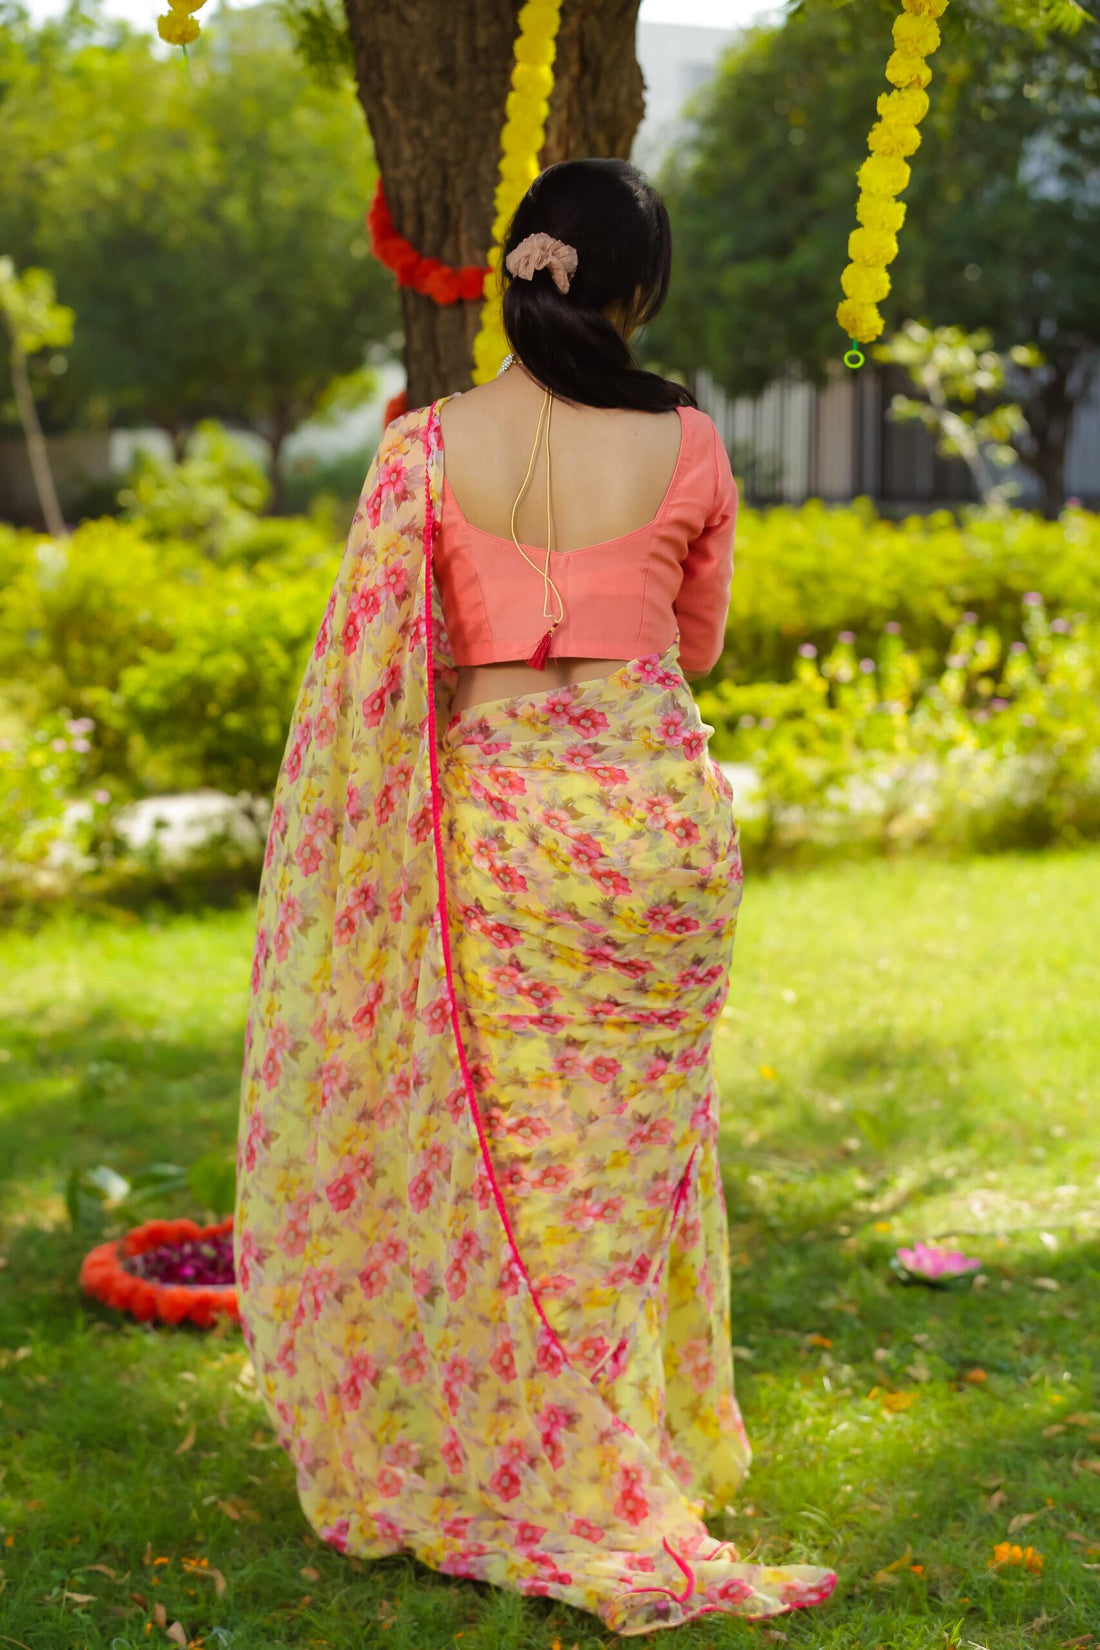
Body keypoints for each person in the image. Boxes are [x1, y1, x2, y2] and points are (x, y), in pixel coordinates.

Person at [234, 157, 836, 1636]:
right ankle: (618, 1432)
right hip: (650, 837)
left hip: (503, 828)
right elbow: (693, 649)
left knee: (509, 1157)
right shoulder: (691, 442)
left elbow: (388, 671)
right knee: (626, 1163)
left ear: (516, 275)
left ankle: (531, 1444)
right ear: (635, 296)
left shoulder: (423, 452)